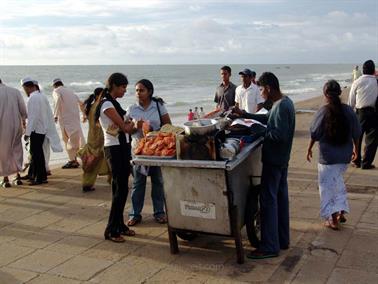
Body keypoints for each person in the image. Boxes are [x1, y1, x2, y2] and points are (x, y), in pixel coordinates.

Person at [233, 72, 295, 259]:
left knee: (268, 201)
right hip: (281, 160)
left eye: (261, 89)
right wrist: (246, 115)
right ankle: (282, 240)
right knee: (280, 199)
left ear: (268, 88)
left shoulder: (282, 106)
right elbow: (269, 120)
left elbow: (279, 135)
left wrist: (260, 130)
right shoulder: (282, 103)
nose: (260, 93)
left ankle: (269, 246)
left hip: (275, 160)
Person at [307, 80, 361, 230]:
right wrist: (357, 149)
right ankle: (340, 209)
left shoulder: (323, 111)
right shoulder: (349, 111)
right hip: (344, 156)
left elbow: (315, 133)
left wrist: (309, 148)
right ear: (340, 93)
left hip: (327, 157)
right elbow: (356, 132)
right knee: (337, 182)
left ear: (325, 94)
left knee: (326, 187)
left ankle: (332, 218)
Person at [127, 79, 171, 226]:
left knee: (158, 181)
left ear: (150, 92)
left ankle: (159, 212)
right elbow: (126, 129)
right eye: (137, 90)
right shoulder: (131, 109)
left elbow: (168, 126)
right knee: (138, 182)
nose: (138, 93)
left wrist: (153, 131)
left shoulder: (158, 106)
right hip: (138, 150)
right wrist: (135, 126)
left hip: (157, 149)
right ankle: (134, 214)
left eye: (142, 90)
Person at [96, 73, 135, 243]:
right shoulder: (107, 104)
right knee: (120, 190)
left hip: (122, 147)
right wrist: (134, 124)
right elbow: (125, 128)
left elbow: (124, 125)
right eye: (122, 87)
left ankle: (119, 225)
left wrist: (129, 124)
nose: (125, 90)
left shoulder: (113, 103)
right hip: (114, 148)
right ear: (113, 86)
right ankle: (111, 230)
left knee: (121, 188)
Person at [77, 87, 110, 192]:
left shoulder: (90, 106)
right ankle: (112, 180)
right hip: (101, 137)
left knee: (92, 161)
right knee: (108, 159)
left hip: (92, 136)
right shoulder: (100, 106)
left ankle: (88, 182)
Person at [348, 59, 378, 169]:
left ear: (363, 70)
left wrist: (350, 113)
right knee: (372, 140)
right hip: (374, 113)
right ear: (373, 70)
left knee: (357, 137)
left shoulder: (357, 81)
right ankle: (366, 163)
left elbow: (351, 101)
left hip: (360, 113)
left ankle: (356, 160)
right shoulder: (376, 81)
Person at [52, 78, 85, 169]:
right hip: (75, 119)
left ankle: (72, 161)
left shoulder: (56, 91)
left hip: (65, 120)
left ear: (54, 85)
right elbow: (81, 103)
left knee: (68, 141)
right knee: (77, 140)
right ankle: (77, 159)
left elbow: (58, 100)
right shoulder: (70, 91)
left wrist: (55, 115)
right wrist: (84, 115)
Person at [0, 79, 27, 188]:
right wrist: (24, 120)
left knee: (2, 152)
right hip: (16, 125)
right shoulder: (15, 91)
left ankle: (5, 179)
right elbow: (23, 110)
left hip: (2, 126)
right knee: (16, 149)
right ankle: (17, 176)